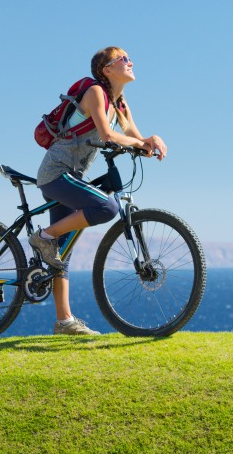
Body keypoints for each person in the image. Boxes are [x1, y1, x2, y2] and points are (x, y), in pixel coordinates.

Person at [31, 46, 168, 335]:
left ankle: (63, 322)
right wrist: (139, 143)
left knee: (62, 252)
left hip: (73, 176)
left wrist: (149, 141)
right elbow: (107, 134)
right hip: (56, 173)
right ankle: (42, 237)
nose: (131, 62)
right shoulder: (95, 92)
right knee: (107, 207)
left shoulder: (119, 103)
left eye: (129, 58)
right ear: (107, 69)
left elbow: (132, 136)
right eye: (123, 59)